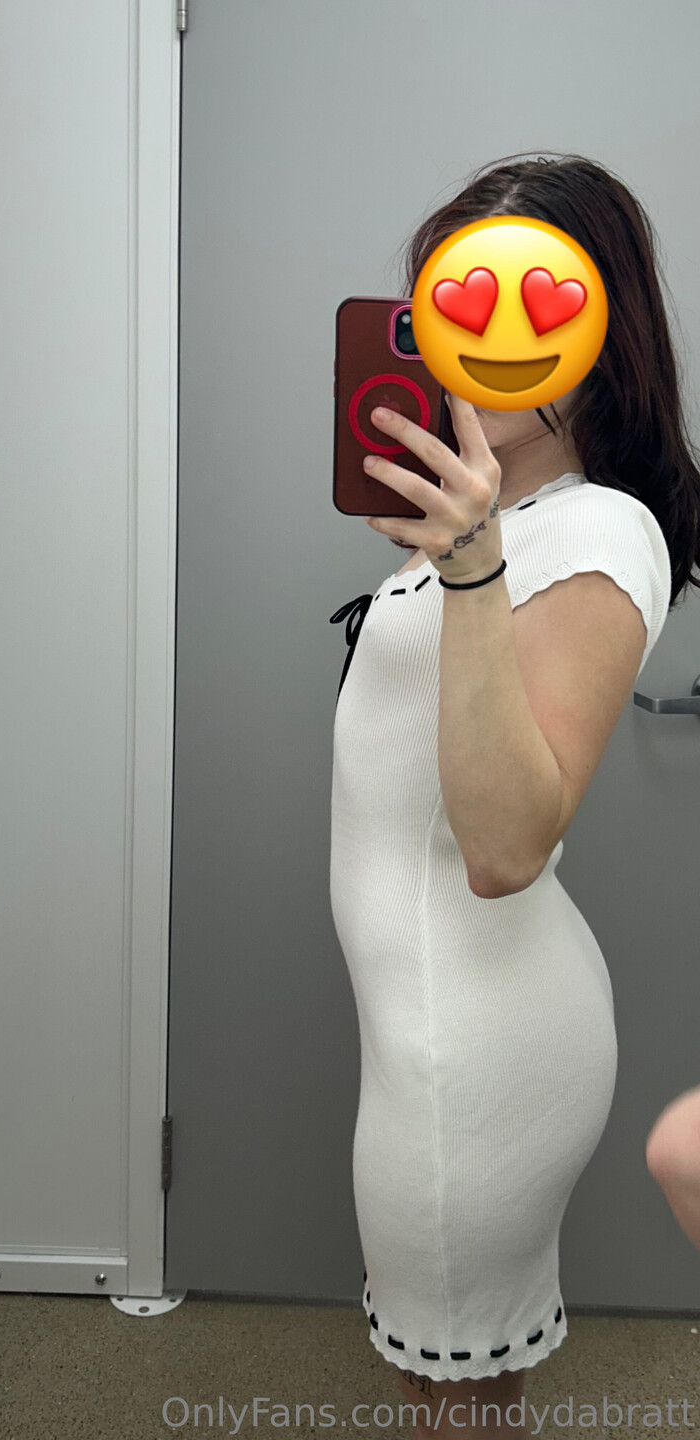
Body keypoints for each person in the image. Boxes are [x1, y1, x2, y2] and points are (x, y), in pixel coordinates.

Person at [329, 152, 700, 1440]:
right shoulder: (502, 516)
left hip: (473, 1046)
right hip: (437, 1022)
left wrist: (474, 564)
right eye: (451, 302)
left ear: (602, 333)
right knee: (464, 1389)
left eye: (519, 301)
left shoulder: (596, 532)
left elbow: (501, 848)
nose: (476, 341)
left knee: (452, 1399)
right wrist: (466, 549)